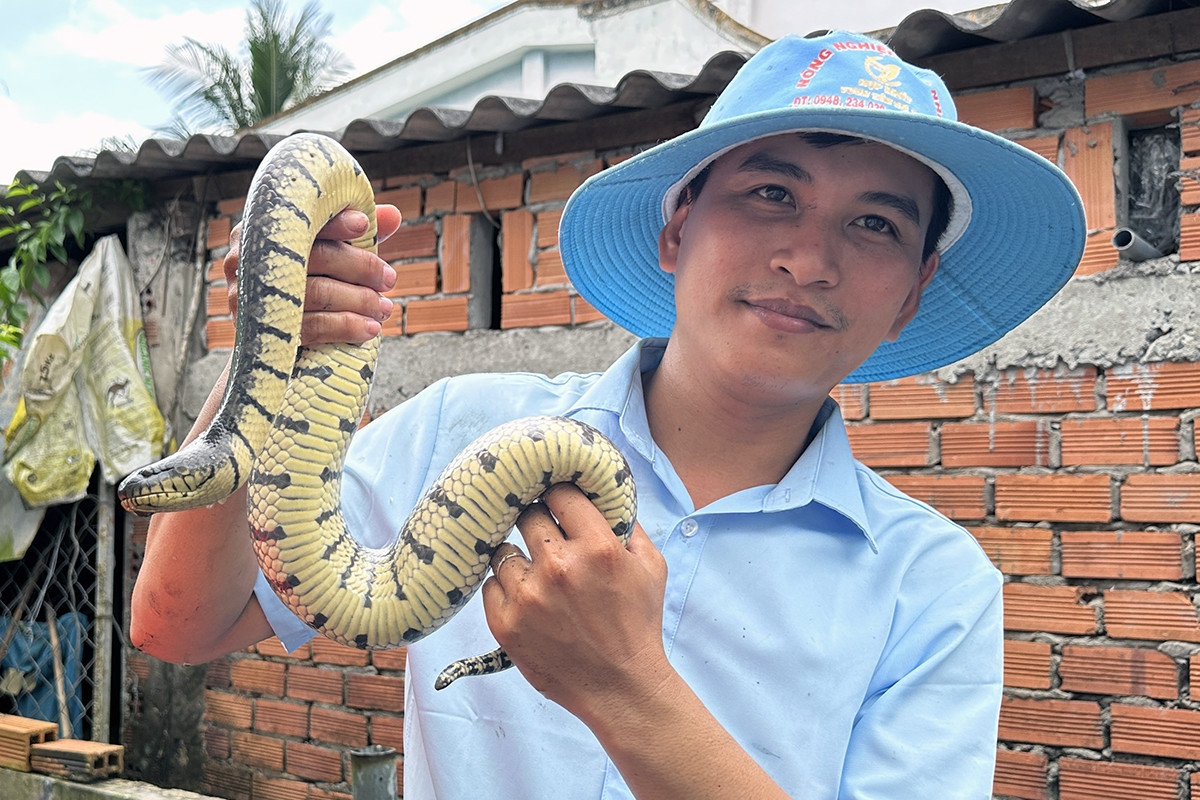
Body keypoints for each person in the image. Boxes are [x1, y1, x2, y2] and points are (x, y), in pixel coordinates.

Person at [131, 31, 1086, 799]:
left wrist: (625, 686)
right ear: (678, 229)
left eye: (876, 222)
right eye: (770, 192)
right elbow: (180, 626)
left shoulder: (936, 589)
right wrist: (272, 366)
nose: (809, 256)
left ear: (914, 292)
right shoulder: (463, 426)